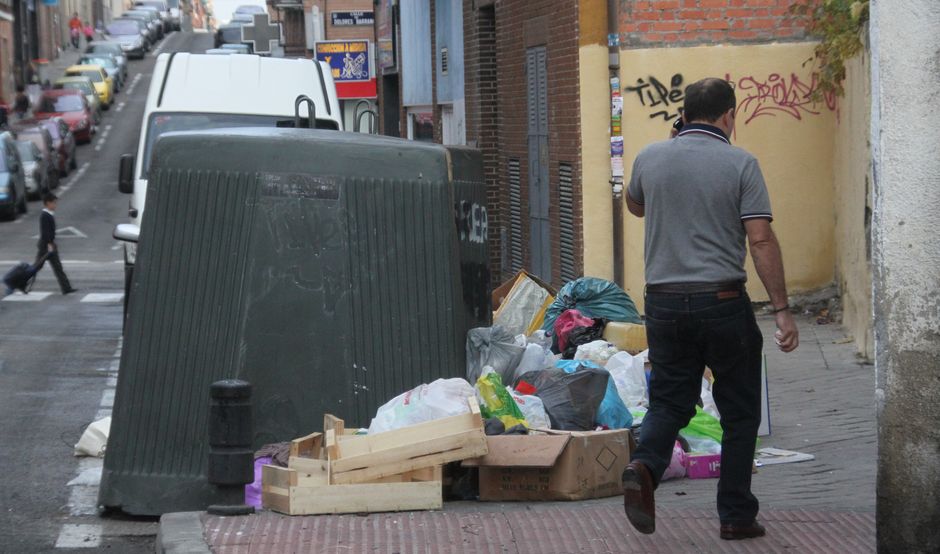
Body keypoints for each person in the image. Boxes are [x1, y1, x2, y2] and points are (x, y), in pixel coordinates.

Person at [621, 77, 798, 541]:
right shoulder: (741, 162)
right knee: (739, 412)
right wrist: (781, 308)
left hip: (662, 303)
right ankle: (736, 516)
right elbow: (759, 237)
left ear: (683, 113)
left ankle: (644, 465)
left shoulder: (650, 157)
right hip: (721, 301)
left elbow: (635, 205)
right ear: (728, 116)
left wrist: (671, 148)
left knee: (669, 401)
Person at [34, 193, 77, 295]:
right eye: (54, 203)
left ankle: (66, 288)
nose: (55, 205)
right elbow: (45, 232)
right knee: (37, 267)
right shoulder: (45, 216)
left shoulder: (48, 215)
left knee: (57, 267)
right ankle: (21, 282)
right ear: (48, 203)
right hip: (46, 246)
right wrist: (49, 243)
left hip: (50, 245)